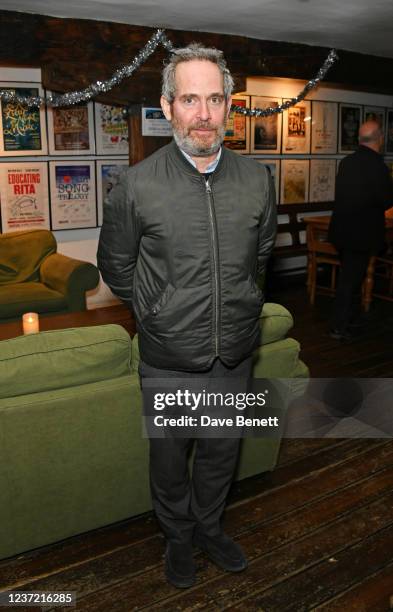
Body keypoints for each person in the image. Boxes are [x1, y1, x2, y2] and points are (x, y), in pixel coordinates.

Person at [97, 43, 276, 588]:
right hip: (169, 355)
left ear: (229, 106)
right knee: (171, 462)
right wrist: (158, 311)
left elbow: (260, 257)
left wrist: (240, 303)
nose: (204, 114)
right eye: (190, 99)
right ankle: (177, 536)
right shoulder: (138, 184)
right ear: (167, 105)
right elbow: (115, 266)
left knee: (222, 454)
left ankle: (208, 527)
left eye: (215, 99)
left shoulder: (255, 180)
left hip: (235, 353)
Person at [328, 120, 393, 340]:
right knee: (351, 281)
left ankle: (348, 320)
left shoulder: (347, 162)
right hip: (362, 234)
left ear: (359, 140)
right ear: (379, 139)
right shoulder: (378, 167)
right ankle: (340, 326)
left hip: (342, 232)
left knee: (349, 279)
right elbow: (386, 201)